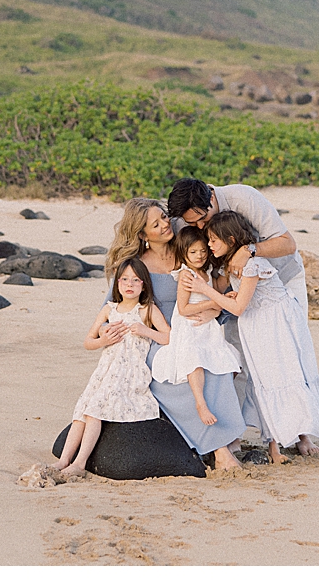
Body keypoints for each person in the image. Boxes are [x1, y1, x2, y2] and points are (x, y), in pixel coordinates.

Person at [186, 210, 319, 468]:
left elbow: (239, 307)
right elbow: (236, 301)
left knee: (298, 377)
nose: (209, 245)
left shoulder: (253, 265)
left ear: (230, 240)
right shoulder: (231, 267)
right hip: (256, 327)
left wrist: (203, 289)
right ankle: (273, 444)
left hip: (279, 325)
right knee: (264, 381)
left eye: (213, 240)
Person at [101, 198, 246, 470]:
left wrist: (216, 313)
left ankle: (226, 437)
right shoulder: (135, 265)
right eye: (156, 224)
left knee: (217, 364)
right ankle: (220, 449)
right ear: (143, 234)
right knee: (180, 369)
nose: (166, 225)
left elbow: (218, 291)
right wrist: (105, 332)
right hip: (158, 337)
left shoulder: (188, 251)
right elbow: (111, 308)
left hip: (196, 329)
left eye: (165, 217)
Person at [54, 258, 170, 479]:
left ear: (143, 285)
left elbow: (169, 336)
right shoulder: (110, 310)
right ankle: (64, 459)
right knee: (82, 411)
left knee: (95, 409)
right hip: (105, 370)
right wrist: (103, 341)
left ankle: (80, 463)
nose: (130, 284)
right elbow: (88, 341)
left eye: (136, 280)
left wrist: (146, 331)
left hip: (130, 372)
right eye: (125, 279)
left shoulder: (147, 310)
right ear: (117, 283)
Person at [167, 177, 306, 311]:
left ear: (211, 198)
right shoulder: (180, 221)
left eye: (203, 218)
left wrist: (248, 250)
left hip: (281, 280)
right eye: (192, 223)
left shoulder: (243, 198)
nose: (201, 226)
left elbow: (287, 243)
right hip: (231, 293)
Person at [150, 226, 243, 426]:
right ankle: (200, 403)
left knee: (232, 358)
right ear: (184, 253)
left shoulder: (207, 272)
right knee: (195, 359)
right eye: (193, 252)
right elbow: (183, 309)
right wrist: (213, 302)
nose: (199, 256)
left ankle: (222, 403)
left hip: (207, 326)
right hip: (189, 326)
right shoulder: (186, 275)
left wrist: (224, 296)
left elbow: (217, 291)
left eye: (203, 251)